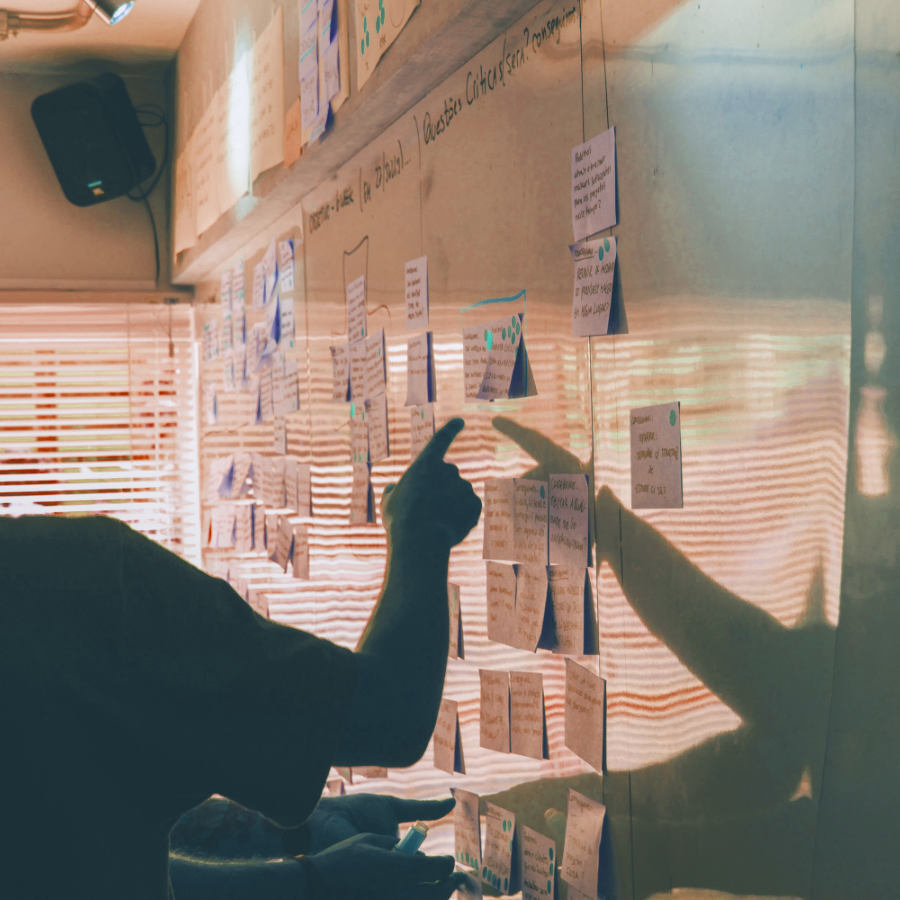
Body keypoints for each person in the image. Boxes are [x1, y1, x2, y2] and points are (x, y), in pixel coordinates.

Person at [0, 417, 481, 900]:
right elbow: (388, 715)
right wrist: (421, 530)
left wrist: (290, 844)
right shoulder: (78, 582)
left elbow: (72, 836)